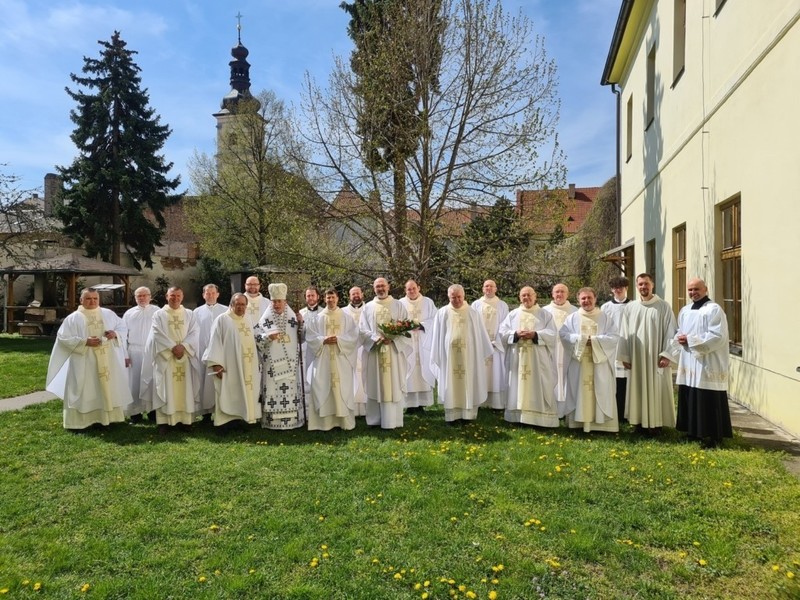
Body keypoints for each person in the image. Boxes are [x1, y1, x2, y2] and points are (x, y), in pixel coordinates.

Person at [46, 288, 133, 430]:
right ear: (81, 300)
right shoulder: (74, 318)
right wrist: (84, 342)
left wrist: (115, 333)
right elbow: (63, 338)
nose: (92, 301)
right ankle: (80, 423)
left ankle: (107, 419)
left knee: (106, 388)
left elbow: (122, 326)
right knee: (85, 389)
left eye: (95, 298)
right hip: (84, 360)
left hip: (107, 360)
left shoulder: (108, 314)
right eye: (88, 298)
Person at [674, 278, 733, 447]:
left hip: (708, 362)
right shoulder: (685, 310)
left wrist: (690, 340)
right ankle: (693, 432)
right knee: (692, 396)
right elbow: (680, 331)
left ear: (705, 289)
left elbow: (717, 337)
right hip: (689, 362)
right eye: (690, 290)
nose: (693, 292)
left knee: (708, 398)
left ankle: (714, 436)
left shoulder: (714, 310)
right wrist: (678, 339)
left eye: (697, 289)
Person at [618, 273, 678, 434]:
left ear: (652, 285)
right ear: (636, 286)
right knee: (637, 387)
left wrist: (667, 354)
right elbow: (624, 332)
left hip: (656, 358)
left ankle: (656, 425)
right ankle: (638, 423)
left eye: (646, 284)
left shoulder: (663, 306)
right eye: (640, 284)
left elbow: (671, 332)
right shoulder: (630, 307)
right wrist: (624, 356)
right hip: (636, 357)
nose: (643, 287)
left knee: (656, 387)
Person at [559, 287, 620, 433]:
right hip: (579, 363)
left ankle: (600, 424)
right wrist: (580, 339)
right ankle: (578, 422)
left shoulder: (605, 317)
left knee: (600, 389)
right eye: (583, 298)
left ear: (595, 298)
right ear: (578, 300)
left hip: (599, 364)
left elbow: (613, 337)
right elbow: (563, 334)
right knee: (579, 389)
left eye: (589, 298)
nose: (586, 301)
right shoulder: (572, 318)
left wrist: (593, 341)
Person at [431, 284, 493, 422]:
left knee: (468, 382)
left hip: (469, 356)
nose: (457, 300)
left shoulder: (472, 313)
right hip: (449, 357)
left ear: (464, 296)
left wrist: (478, 354)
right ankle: (452, 416)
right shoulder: (442, 313)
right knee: (451, 383)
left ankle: (467, 415)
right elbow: (437, 337)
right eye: (454, 297)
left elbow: (480, 336)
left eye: (459, 297)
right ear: (449, 297)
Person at [499, 286, 558, 427]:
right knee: (517, 385)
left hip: (537, 360)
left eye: (529, 295)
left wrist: (535, 335)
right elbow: (502, 332)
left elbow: (552, 334)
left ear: (535, 296)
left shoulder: (544, 314)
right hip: (517, 359)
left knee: (539, 384)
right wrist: (516, 334)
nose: (526, 298)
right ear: (519, 297)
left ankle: (538, 419)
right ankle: (516, 417)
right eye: (523, 295)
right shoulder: (513, 314)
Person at [359, 277, 412, 429]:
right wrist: (376, 338)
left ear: (388, 286)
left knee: (393, 384)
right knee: (375, 384)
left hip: (393, 352)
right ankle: (375, 420)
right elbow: (362, 330)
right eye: (377, 287)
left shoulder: (398, 305)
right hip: (375, 351)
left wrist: (393, 339)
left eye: (383, 285)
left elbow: (406, 326)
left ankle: (393, 420)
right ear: (373, 288)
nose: (381, 289)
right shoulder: (368, 307)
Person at [204, 293, 262, 429]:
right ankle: (224, 423)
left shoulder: (247, 319)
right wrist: (216, 363)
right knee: (228, 392)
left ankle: (242, 419)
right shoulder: (223, 320)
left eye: (243, 304)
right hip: (229, 365)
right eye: (238, 304)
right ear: (231, 305)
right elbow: (214, 342)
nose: (241, 307)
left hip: (247, 365)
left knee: (244, 391)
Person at [147, 286, 200, 432]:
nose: (175, 298)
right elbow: (157, 333)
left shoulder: (189, 314)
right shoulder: (159, 314)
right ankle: (164, 422)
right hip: (166, 358)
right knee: (165, 387)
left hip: (185, 357)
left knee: (185, 389)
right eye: (172, 296)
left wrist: (183, 347)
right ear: (166, 296)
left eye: (178, 296)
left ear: (182, 297)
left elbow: (195, 332)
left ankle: (185, 421)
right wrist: (173, 348)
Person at [305, 287, 359, 431]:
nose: (331, 300)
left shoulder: (346, 317)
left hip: (341, 358)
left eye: (333, 297)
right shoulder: (318, 317)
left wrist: (339, 340)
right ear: (324, 299)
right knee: (322, 386)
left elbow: (354, 336)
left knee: (342, 388)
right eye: (328, 298)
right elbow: (310, 337)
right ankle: (323, 424)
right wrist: (323, 340)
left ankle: (342, 422)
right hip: (323, 359)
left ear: (337, 299)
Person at [254, 283, 305, 430]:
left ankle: (291, 421)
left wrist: (301, 323)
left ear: (285, 302)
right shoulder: (265, 320)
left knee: (289, 391)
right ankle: (271, 422)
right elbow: (257, 338)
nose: (276, 304)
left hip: (291, 364)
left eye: (279, 301)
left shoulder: (294, 319)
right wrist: (268, 337)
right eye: (274, 301)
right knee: (272, 391)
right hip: (272, 367)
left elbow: (302, 337)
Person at [399, 279, 437, 413]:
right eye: (409, 289)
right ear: (405, 290)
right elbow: (397, 321)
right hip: (408, 343)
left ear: (419, 288)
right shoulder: (401, 303)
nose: (412, 291)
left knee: (423, 370)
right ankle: (409, 405)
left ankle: (422, 404)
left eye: (414, 288)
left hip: (423, 341)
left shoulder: (428, 302)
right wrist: (406, 326)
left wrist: (421, 325)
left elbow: (434, 319)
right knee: (409, 370)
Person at [122, 286, 158, 422]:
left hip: (152, 352)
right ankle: (135, 413)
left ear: (150, 296)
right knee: (134, 383)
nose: (142, 298)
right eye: (139, 296)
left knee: (152, 382)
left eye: (145, 295)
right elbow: (123, 335)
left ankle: (153, 412)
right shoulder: (129, 314)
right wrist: (125, 354)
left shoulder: (158, 312)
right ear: (135, 298)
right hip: (134, 352)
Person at [470, 279, 509, 410]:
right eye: (486, 286)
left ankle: (496, 403)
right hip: (480, 346)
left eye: (491, 286)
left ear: (496, 289)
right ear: (482, 289)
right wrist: (481, 341)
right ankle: (479, 400)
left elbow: (505, 325)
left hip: (496, 346)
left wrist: (496, 341)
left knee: (495, 373)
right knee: (480, 372)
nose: (489, 288)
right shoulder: (475, 305)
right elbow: (472, 325)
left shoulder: (502, 305)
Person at [542, 283, 578, 415]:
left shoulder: (575, 311)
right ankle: (551, 406)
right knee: (551, 374)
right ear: (552, 294)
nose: (559, 294)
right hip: (551, 349)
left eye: (563, 292)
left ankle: (567, 408)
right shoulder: (545, 311)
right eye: (557, 292)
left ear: (568, 294)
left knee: (568, 376)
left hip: (568, 350)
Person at [600, 276, 631, 423]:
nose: (618, 290)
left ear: (626, 288)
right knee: (612, 381)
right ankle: (613, 411)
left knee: (626, 382)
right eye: (615, 288)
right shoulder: (606, 307)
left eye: (621, 287)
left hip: (628, 346)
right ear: (612, 290)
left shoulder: (633, 305)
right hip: (611, 348)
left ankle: (626, 413)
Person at [194, 284, 227, 422]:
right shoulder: (196, 312)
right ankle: (206, 414)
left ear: (218, 294)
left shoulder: (225, 311)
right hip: (202, 352)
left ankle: (223, 411)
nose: (210, 295)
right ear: (203, 295)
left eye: (213, 293)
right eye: (208, 293)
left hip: (221, 352)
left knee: (221, 382)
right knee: (203, 382)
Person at [342, 286, 368, 416]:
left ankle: (366, 408)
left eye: (358, 293)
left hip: (366, 349)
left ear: (362, 294)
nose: (356, 296)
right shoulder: (342, 312)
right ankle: (350, 406)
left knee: (365, 376)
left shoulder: (369, 309)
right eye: (353, 294)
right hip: (349, 350)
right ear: (349, 296)